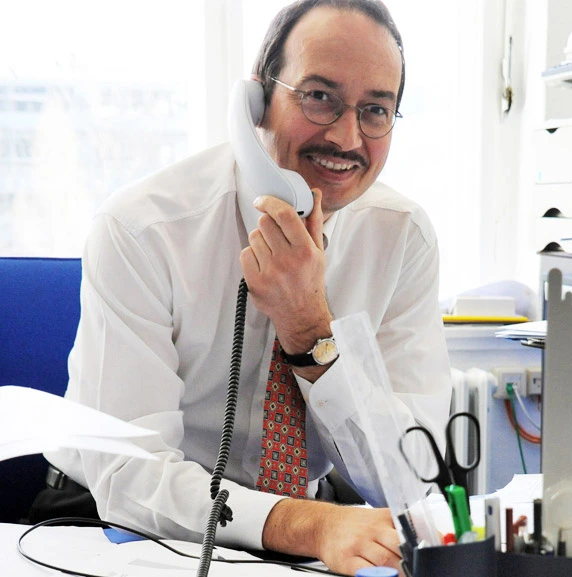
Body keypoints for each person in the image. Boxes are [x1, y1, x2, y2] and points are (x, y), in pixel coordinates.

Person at [31, 1, 452, 574]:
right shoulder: (144, 229)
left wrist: (311, 333)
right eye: (320, 96)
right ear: (254, 103)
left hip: (313, 528)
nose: (348, 137)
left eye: (376, 110)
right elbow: (127, 477)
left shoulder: (403, 238)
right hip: (113, 524)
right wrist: (302, 525)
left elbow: (410, 479)